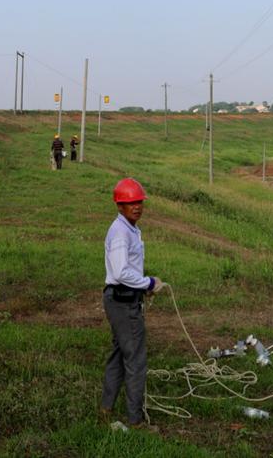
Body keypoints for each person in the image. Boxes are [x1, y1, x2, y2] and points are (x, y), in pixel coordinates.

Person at [101, 178, 165, 430]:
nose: (136, 206)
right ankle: (136, 421)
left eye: (139, 201)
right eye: (130, 203)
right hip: (123, 303)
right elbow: (120, 272)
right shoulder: (120, 233)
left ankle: (106, 407)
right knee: (136, 360)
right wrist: (148, 283)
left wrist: (141, 286)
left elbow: (127, 269)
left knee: (119, 354)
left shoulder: (129, 228)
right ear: (119, 206)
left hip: (123, 298)